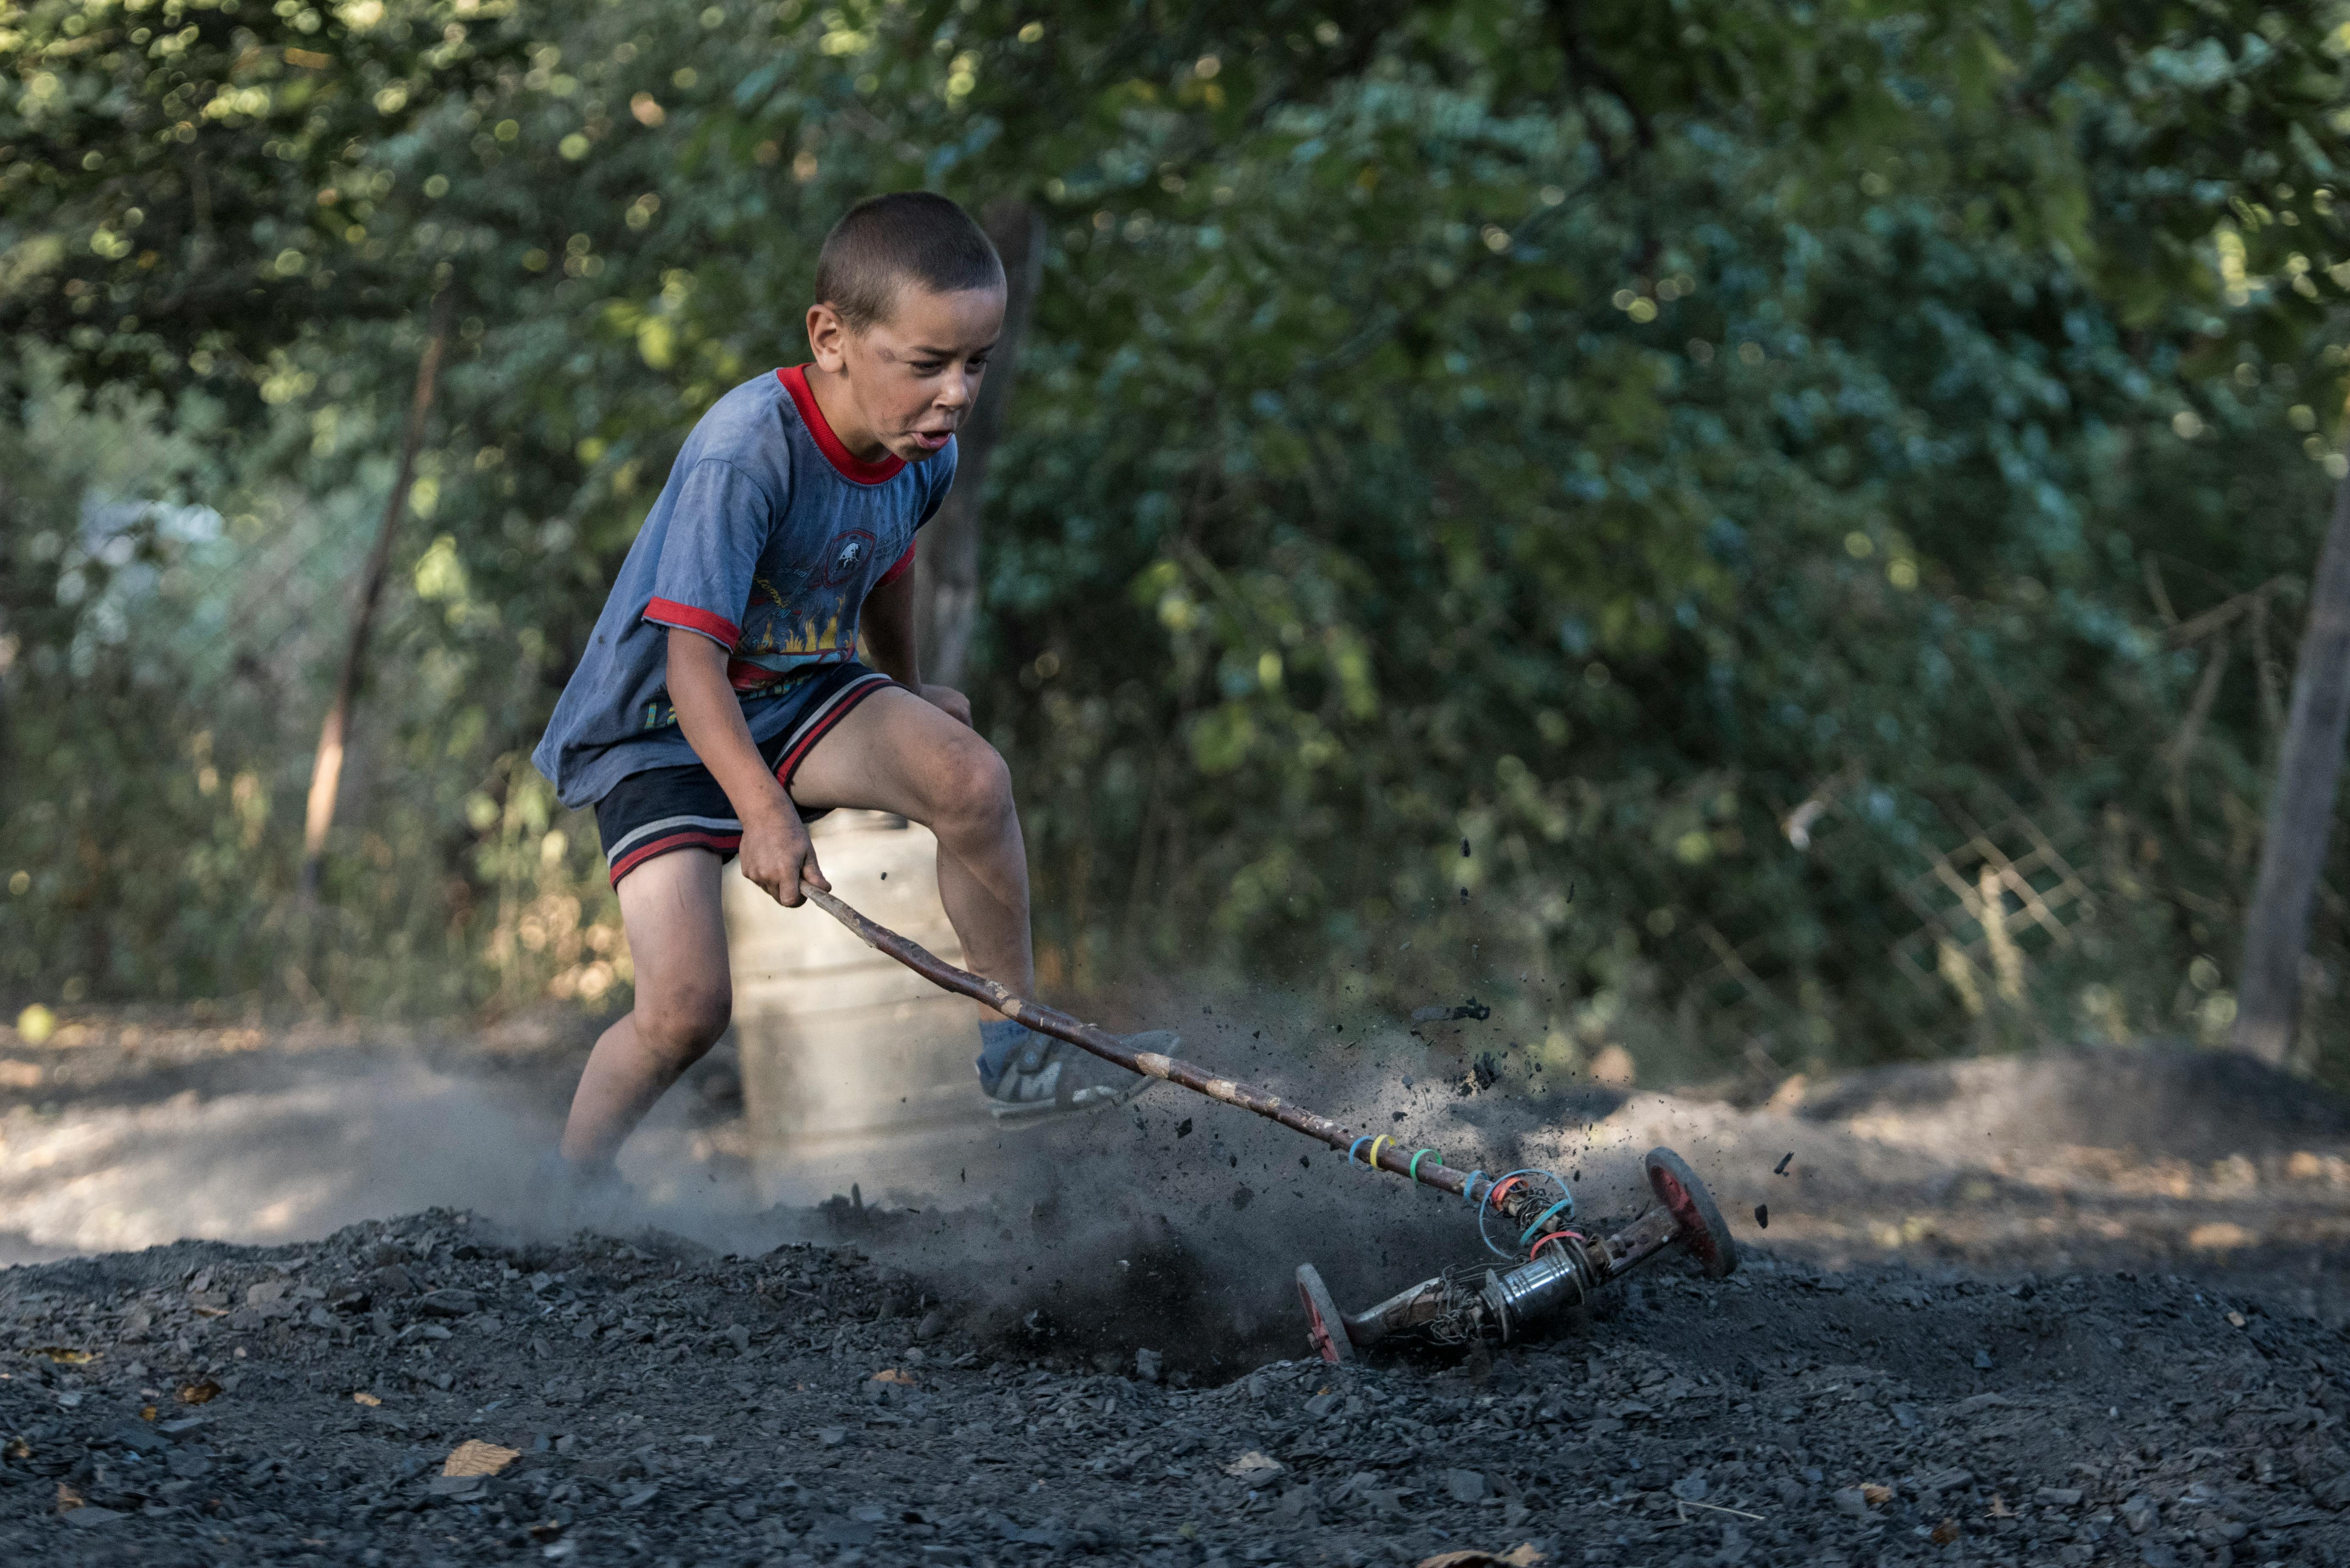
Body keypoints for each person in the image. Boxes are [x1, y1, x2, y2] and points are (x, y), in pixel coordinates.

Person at [531, 192, 1165, 1196]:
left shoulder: (924, 450)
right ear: (831, 338)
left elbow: (887, 565)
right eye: (927, 364)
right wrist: (763, 812)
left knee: (969, 778)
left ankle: (1019, 1049)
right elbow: (691, 668)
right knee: (686, 1011)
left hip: (793, 697)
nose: (956, 394)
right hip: (657, 737)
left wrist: (908, 696)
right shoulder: (746, 452)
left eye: (976, 365)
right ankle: (563, 1192)